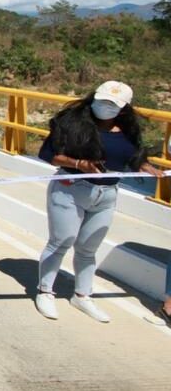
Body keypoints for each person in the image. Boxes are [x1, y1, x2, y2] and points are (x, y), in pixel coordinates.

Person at [34, 81, 163, 322]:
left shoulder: (127, 131)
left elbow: (131, 156)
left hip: (107, 194)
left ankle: (82, 296)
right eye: (102, 100)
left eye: (112, 104)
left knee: (88, 248)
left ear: (123, 109)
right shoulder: (70, 123)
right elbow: (48, 154)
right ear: (93, 98)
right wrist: (78, 164)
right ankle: (45, 291)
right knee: (61, 241)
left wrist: (144, 165)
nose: (105, 107)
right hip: (70, 189)